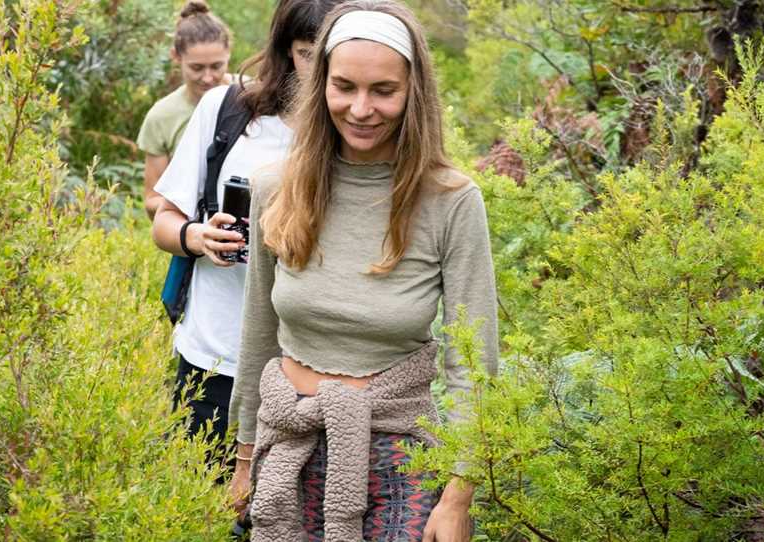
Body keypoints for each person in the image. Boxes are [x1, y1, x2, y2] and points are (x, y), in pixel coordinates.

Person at [228, 0, 499, 540]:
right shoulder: (274, 189)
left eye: (384, 90)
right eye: (344, 86)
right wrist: (243, 459)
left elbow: (474, 361)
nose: (360, 108)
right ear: (319, 83)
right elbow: (259, 335)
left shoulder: (450, 201)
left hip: (400, 463)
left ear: (413, 93)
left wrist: (458, 496)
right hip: (289, 451)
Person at [151, 0, 342, 460]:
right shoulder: (228, 110)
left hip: (311, 367)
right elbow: (164, 219)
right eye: (306, 52)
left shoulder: (356, 129)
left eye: (332, 52)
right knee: (205, 503)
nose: (320, 68)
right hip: (214, 354)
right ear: (284, 50)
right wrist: (198, 237)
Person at [137, 0, 232, 219]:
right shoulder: (161, 116)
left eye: (217, 66)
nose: (208, 78)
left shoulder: (251, 96)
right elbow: (152, 200)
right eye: (196, 68)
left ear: (229, 53)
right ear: (176, 57)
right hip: (191, 237)